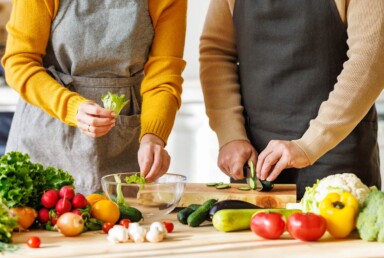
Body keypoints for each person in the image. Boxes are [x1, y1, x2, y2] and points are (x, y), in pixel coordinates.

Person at [200, 0, 384, 199]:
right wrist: (231, 136)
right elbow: (217, 51)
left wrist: (309, 145)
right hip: (255, 158)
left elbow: (371, 56)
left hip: (338, 155)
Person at [2, 0, 187, 195]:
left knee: (121, 221)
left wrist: (153, 137)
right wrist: (71, 107)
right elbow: (19, 62)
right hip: (46, 137)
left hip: (122, 146)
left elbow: (163, 75)